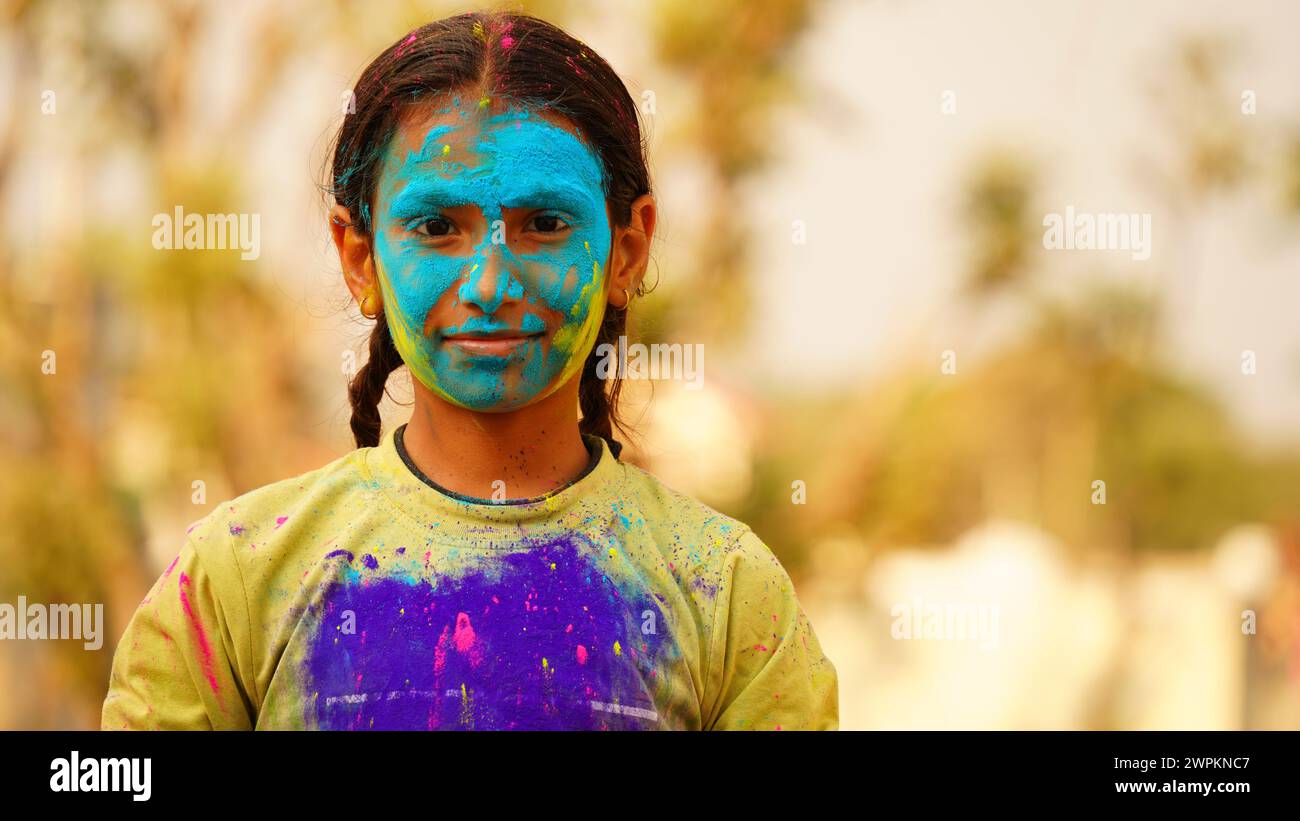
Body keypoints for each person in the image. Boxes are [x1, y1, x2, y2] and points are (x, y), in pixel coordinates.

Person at [101, 11, 838, 731]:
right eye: (436, 228)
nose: (490, 283)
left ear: (627, 249)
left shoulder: (726, 594)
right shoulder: (237, 578)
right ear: (360, 257)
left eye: (544, 224)